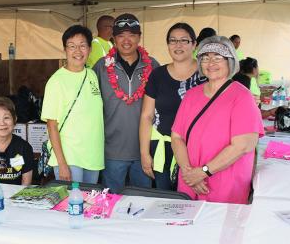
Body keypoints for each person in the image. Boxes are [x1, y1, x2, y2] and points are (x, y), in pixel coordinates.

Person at [171, 36, 264, 204]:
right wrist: (189, 172)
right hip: (190, 181)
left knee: (220, 227)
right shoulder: (191, 95)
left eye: (217, 57)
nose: (210, 63)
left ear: (230, 61)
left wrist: (203, 172)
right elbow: (177, 137)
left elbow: (243, 145)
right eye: (205, 58)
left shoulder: (242, 97)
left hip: (224, 184)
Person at [94, 13, 160, 193]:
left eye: (132, 34)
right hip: (112, 151)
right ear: (113, 38)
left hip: (144, 152)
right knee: (111, 203)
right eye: (121, 35)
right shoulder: (101, 66)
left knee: (142, 202)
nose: (126, 40)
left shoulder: (153, 66)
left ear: (139, 37)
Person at [139, 23, 206, 190]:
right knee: (165, 202)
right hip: (163, 148)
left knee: (194, 200)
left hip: (196, 150)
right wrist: (144, 153)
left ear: (194, 44)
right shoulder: (158, 75)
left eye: (184, 40)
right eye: (173, 40)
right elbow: (147, 116)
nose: (178, 45)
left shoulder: (206, 74)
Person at [41, 25, 104, 183]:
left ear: (89, 49)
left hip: (93, 156)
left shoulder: (92, 75)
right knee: (72, 205)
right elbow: (52, 125)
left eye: (82, 45)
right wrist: (62, 164)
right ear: (65, 50)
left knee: (89, 204)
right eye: (72, 46)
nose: (78, 51)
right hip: (70, 158)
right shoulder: (56, 81)